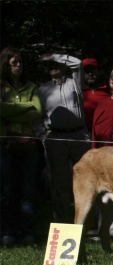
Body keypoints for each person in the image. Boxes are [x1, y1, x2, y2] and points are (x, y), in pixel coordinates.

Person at [38, 53, 90, 224]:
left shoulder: (75, 82)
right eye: (49, 65)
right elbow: (38, 117)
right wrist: (43, 137)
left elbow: (77, 63)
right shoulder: (43, 89)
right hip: (56, 138)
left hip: (79, 136)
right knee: (59, 183)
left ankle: (84, 223)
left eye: (56, 64)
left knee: (84, 180)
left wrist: (53, 56)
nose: (52, 66)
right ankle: (61, 224)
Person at [0, 47, 43, 246]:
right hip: (5, 144)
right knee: (7, 190)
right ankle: (7, 231)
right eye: (14, 62)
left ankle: (26, 232)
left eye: (20, 62)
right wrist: (26, 106)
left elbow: (38, 111)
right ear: (5, 65)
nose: (18, 65)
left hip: (28, 145)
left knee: (28, 189)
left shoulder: (31, 86)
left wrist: (9, 111)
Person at [81, 58, 110, 132]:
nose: (90, 74)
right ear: (82, 73)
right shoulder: (77, 92)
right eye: (87, 71)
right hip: (83, 132)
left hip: (103, 131)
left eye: (93, 71)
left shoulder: (108, 90)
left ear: (98, 72)